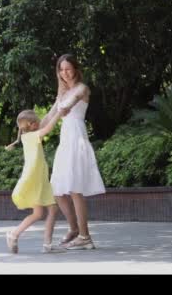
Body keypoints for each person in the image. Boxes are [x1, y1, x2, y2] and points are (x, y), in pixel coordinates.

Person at [44, 54, 106, 250]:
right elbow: (49, 116)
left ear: (76, 69)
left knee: (75, 189)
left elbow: (74, 101)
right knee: (57, 191)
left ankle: (85, 236)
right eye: (61, 70)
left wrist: (67, 106)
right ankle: (74, 229)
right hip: (65, 142)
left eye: (68, 68)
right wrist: (30, 127)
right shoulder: (61, 93)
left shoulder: (82, 88)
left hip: (77, 138)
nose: (65, 73)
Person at [4, 109, 66, 254]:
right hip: (35, 179)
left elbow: (46, 119)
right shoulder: (31, 136)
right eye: (37, 121)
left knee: (39, 213)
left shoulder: (29, 134)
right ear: (31, 125)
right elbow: (48, 127)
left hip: (39, 179)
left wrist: (57, 104)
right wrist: (60, 112)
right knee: (51, 209)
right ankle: (47, 245)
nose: (39, 122)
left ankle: (14, 234)